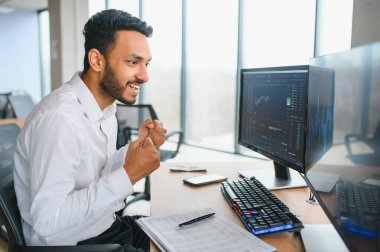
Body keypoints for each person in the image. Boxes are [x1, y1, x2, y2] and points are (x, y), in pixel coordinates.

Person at [13, 9, 166, 251]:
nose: (144, 76)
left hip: (103, 226)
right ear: (97, 60)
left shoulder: (105, 110)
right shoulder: (60, 119)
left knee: (178, 234)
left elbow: (97, 170)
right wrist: (129, 175)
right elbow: (47, 220)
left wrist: (136, 149)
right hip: (76, 243)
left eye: (146, 64)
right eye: (133, 62)